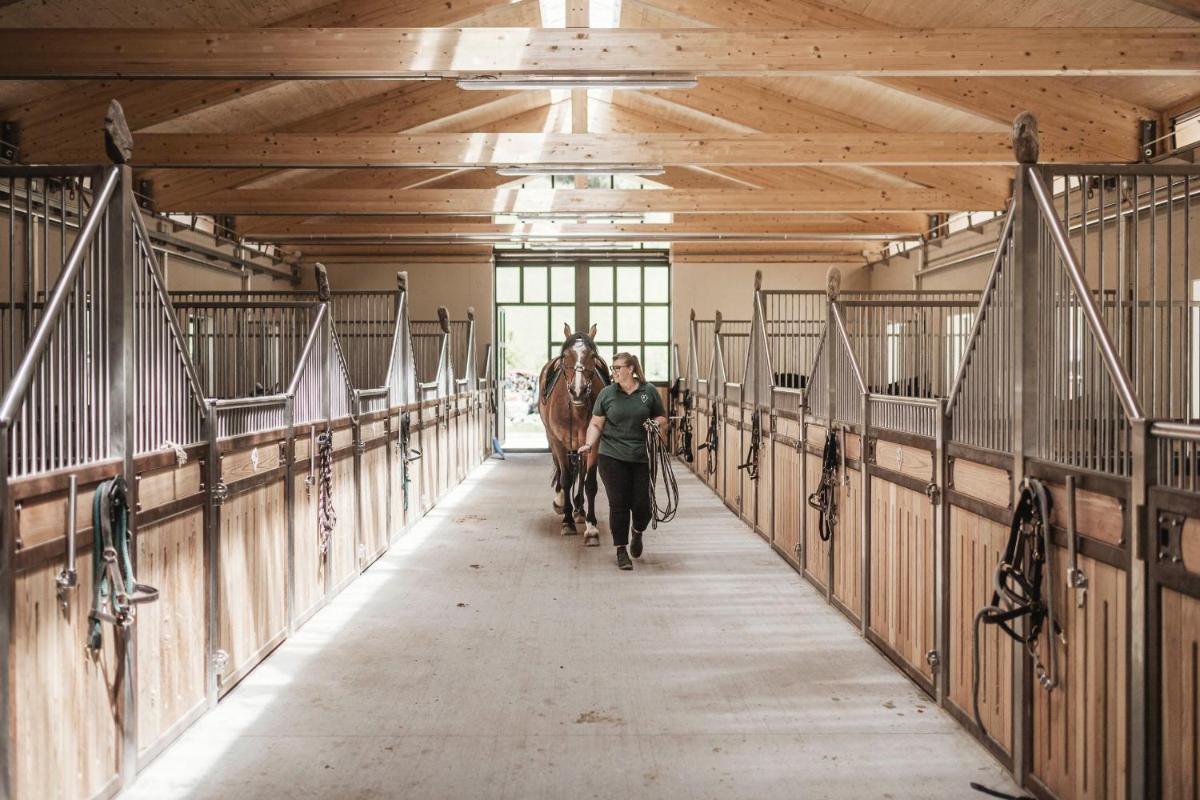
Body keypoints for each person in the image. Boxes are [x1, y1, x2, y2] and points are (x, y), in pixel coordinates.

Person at [577, 352, 667, 571]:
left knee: (643, 505)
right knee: (619, 504)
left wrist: (656, 424)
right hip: (612, 456)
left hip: (643, 456)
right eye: (613, 368)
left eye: (618, 367)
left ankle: (637, 531)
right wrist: (589, 444)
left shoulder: (648, 391)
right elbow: (596, 424)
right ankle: (621, 550)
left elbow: (662, 417)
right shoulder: (607, 394)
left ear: (631, 369)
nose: (614, 372)